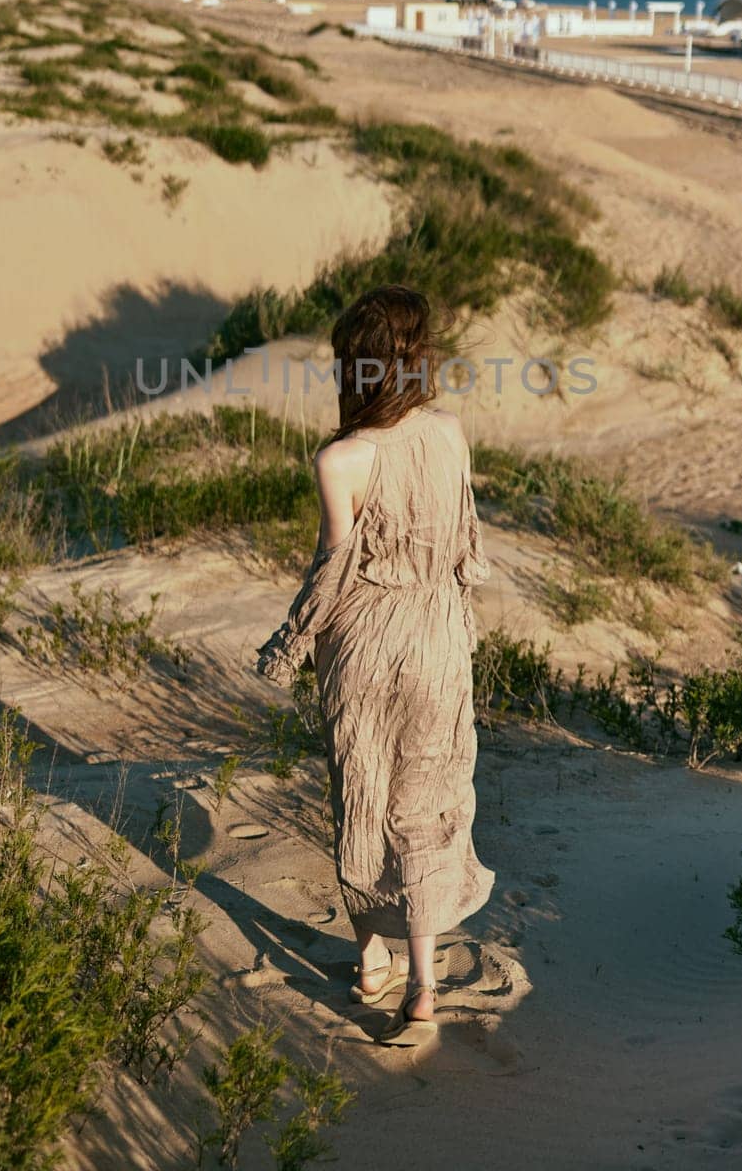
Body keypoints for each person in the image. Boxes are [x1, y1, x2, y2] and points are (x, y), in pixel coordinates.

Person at [255, 284, 495, 1047]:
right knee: (421, 801)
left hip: (361, 645)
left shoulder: (338, 459)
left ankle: (368, 961)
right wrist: (460, 627)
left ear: (350, 367)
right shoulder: (450, 433)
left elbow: (332, 569)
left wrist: (287, 643)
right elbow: (464, 547)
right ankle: (423, 985)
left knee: (360, 793)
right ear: (415, 359)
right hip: (433, 641)